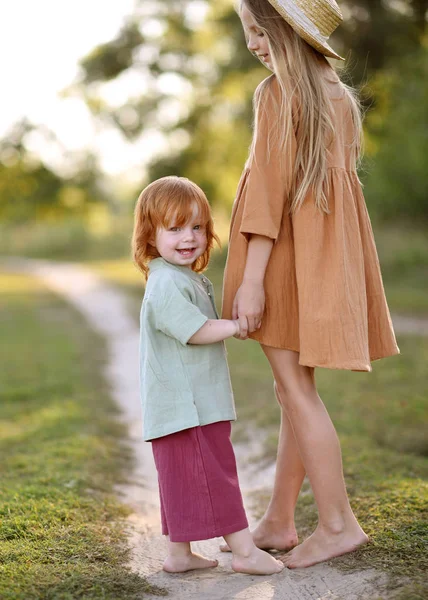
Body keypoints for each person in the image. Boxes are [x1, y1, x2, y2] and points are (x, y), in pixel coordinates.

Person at [221, 0, 400, 569]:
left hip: (283, 260)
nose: (252, 43)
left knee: (296, 392)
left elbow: (268, 198)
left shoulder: (277, 95)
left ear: (284, 28)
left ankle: (337, 523)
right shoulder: (337, 97)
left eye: (256, 29)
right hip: (325, 260)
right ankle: (278, 519)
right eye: (246, 32)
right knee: (292, 393)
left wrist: (252, 281)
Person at [132, 175, 284, 575]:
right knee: (217, 477)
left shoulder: (182, 277)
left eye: (197, 226)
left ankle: (179, 556)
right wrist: (235, 326)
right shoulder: (166, 282)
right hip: (190, 406)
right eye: (176, 228)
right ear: (150, 236)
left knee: (182, 480)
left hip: (185, 406)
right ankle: (246, 553)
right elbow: (196, 331)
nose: (189, 237)